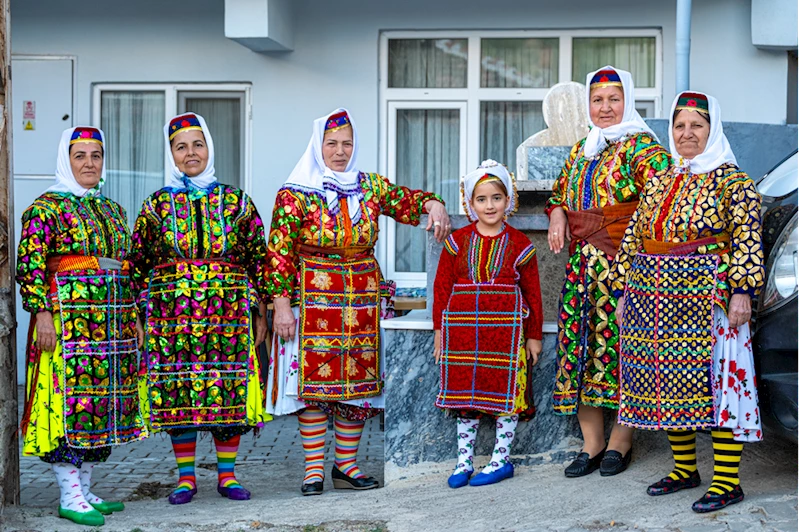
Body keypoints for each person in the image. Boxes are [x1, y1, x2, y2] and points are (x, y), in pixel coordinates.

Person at [266, 108, 450, 495]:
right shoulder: (295, 193)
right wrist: (281, 305)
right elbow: (279, 252)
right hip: (312, 299)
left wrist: (433, 204)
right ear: (318, 146)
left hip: (362, 300)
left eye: (347, 143)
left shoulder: (369, 186)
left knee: (360, 386)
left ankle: (346, 465)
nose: (340, 151)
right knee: (311, 388)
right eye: (331, 143)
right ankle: (313, 470)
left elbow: (406, 201)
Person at [610, 91, 764, 512]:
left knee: (718, 386)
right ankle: (684, 470)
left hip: (708, 300)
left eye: (697, 125)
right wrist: (624, 291)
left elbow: (749, 239)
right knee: (667, 384)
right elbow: (634, 237)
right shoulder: (661, 180)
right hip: (654, 297)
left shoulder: (734, 182)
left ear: (713, 129)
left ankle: (728, 481)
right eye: (679, 126)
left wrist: (742, 292)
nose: (687, 133)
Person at [130, 113, 270, 505]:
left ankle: (227, 475)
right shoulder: (156, 205)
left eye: (197, 145)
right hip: (171, 319)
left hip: (227, 316)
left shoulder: (237, 201)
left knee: (227, 391)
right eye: (181, 147)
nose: (190, 153)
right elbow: (137, 264)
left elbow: (259, 258)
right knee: (179, 395)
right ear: (172, 154)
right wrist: (138, 314)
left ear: (209, 148)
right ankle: (186, 479)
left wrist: (261, 309)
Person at [17, 127, 146, 526]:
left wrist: (135, 315)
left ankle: (85, 489)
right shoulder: (46, 209)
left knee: (97, 407)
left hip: (109, 324)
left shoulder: (112, 210)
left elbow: (127, 268)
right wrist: (41, 313)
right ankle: (69, 496)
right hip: (66, 326)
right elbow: (30, 266)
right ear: (66, 160)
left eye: (96, 155)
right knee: (68, 405)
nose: (89, 163)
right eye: (80, 156)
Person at [547, 65, 670, 477]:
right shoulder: (583, 149)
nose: (605, 107)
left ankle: (622, 440)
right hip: (581, 271)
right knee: (579, 350)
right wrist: (558, 214)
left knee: (623, 350)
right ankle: (592, 443)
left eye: (613, 99)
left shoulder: (643, 149)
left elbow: (664, 199)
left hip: (625, 269)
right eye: (597, 99)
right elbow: (557, 194)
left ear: (628, 101)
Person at [432, 160, 543, 488]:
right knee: (465, 397)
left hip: (505, 335)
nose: (489, 205)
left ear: (508, 200)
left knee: (505, 396)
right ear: (470, 202)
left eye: (496, 197)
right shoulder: (457, 241)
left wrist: (533, 337)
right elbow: (442, 288)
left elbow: (532, 294)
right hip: (463, 334)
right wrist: (440, 332)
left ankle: (501, 460)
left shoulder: (521, 244)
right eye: (481, 199)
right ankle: (464, 461)